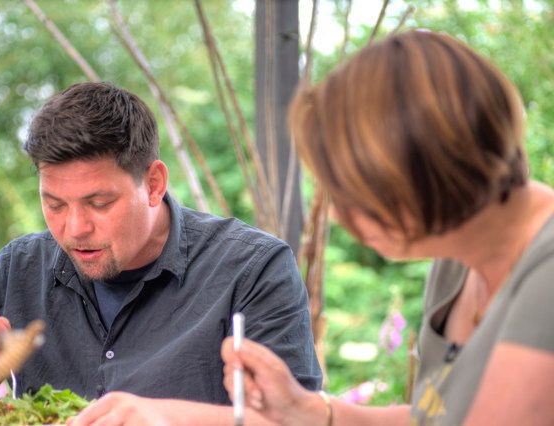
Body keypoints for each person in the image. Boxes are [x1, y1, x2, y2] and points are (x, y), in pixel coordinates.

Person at [0, 81, 322, 424]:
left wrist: (161, 417)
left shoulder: (253, 269)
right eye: (55, 204)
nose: (75, 229)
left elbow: (296, 418)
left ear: (154, 184)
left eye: (99, 203)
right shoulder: (20, 268)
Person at [221, 29, 554, 425]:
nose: (339, 216)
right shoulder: (458, 260)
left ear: (430, 172)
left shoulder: (545, 275)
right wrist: (311, 411)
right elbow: (436, 418)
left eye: (353, 194)